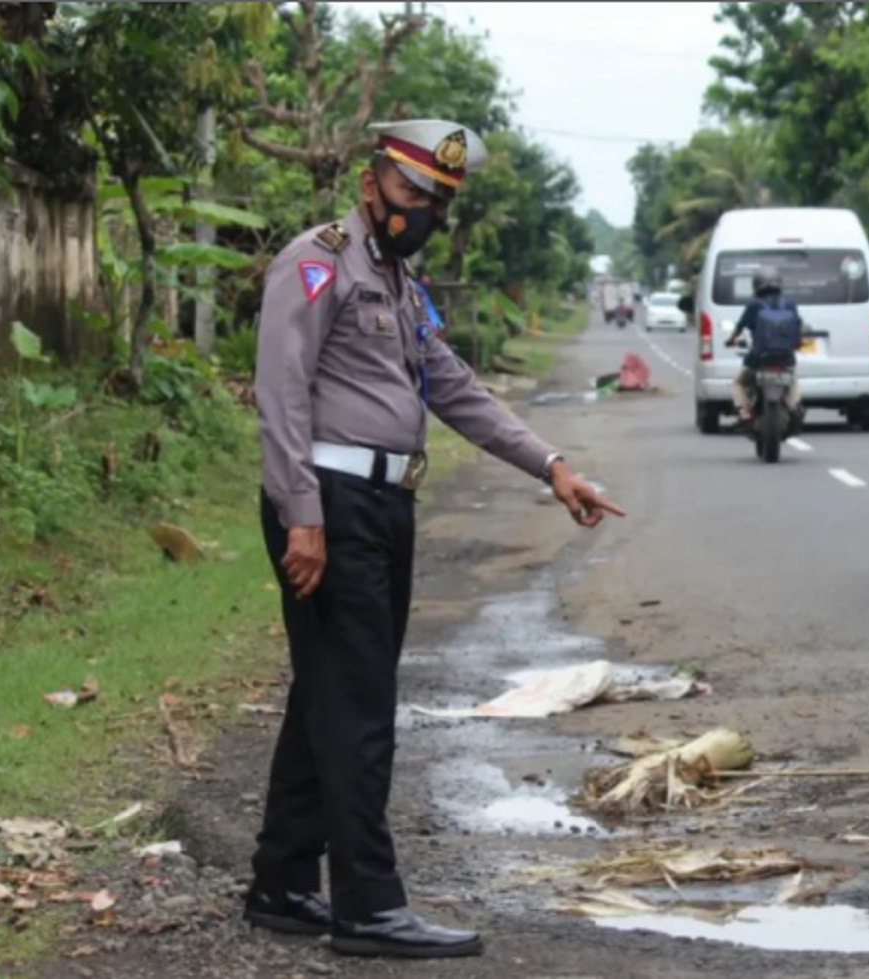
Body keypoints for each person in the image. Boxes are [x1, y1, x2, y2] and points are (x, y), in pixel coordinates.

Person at [248, 118, 625, 960]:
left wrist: (551, 466)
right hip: (332, 504)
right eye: (414, 191)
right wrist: (301, 513)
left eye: (439, 201)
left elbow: (453, 387)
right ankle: (368, 907)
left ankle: (281, 880)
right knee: (359, 709)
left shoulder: (398, 282)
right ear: (372, 181)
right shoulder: (314, 262)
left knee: (326, 694)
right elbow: (280, 394)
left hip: (383, 506)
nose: (424, 210)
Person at [726, 266, 804, 430]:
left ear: (756, 285)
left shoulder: (753, 306)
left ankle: (744, 411)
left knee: (738, 383)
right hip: (785, 358)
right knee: (794, 381)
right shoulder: (790, 305)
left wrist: (731, 340)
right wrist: (798, 343)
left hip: (758, 359)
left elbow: (739, 328)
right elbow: (798, 329)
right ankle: (793, 406)